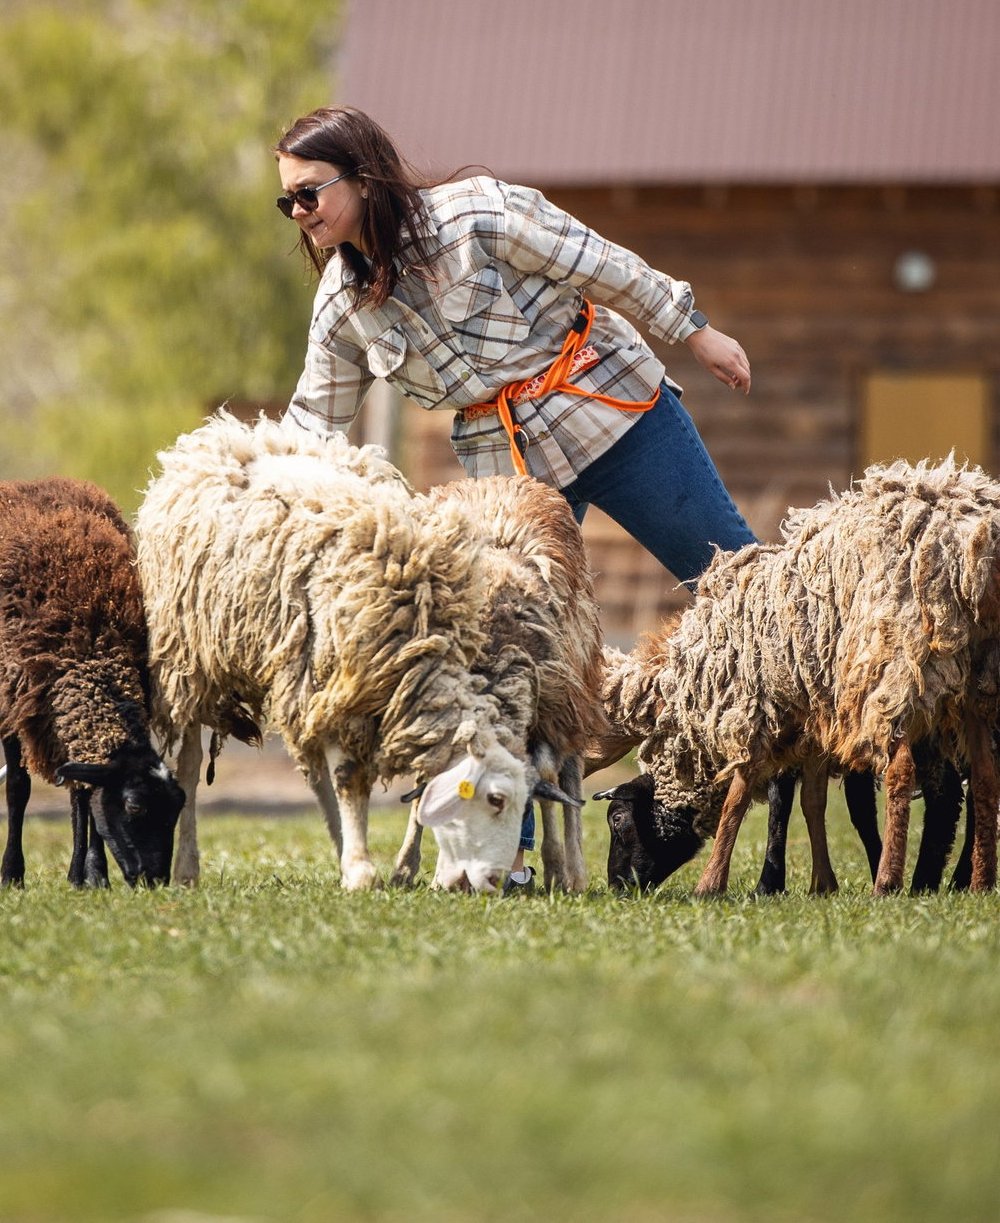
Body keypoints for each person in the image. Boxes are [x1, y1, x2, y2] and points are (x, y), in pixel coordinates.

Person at [273, 106, 758, 889]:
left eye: (309, 193)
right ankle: (514, 854)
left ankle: (829, 776)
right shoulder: (344, 306)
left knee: (743, 586)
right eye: (286, 202)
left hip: (615, 414)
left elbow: (601, 263)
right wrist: (260, 491)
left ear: (363, 178)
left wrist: (693, 329)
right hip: (510, 478)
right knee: (506, 650)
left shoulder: (480, 215)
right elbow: (312, 424)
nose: (299, 213)